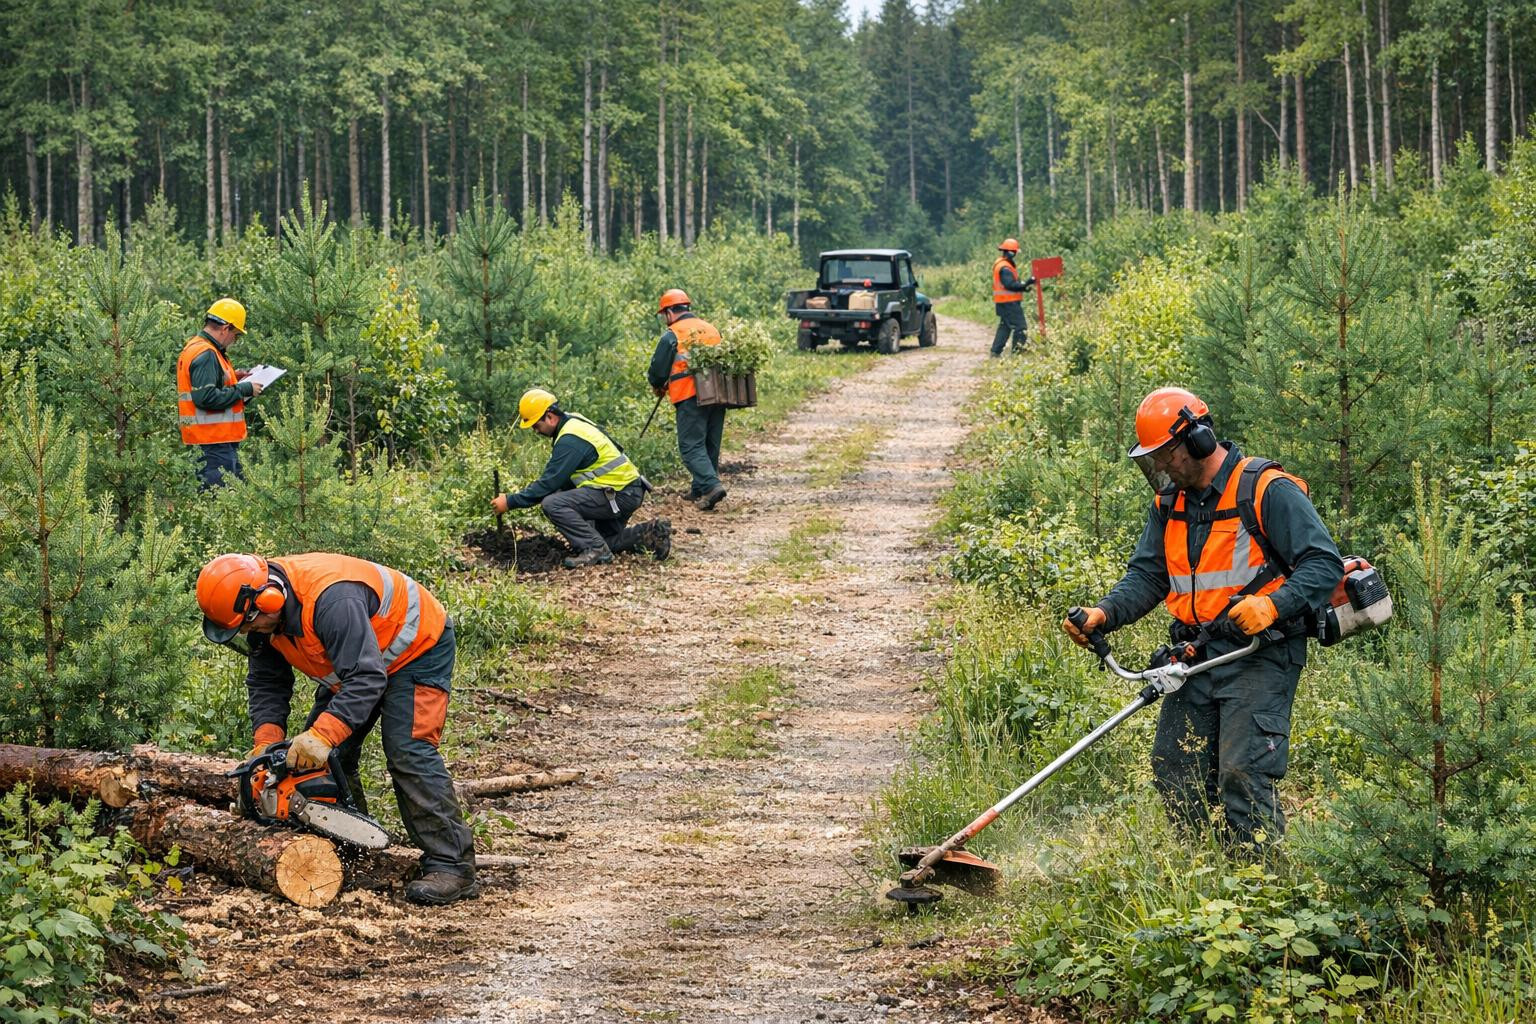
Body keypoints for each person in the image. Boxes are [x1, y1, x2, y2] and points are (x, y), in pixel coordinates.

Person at [1061, 387, 1343, 849]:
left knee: (1242, 774)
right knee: (1175, 770)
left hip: (1260, 652)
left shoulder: (1266, 489)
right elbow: (1149, 575)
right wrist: (1103, 613)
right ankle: (1203, 872)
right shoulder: (1170, 504)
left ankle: (1262, 880)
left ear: (1199, 440)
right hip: (1195, 655)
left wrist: (1273, 605)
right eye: (1152, 458)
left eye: (1166, 454)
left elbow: (1323, 564)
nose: (1161, 466)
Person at [197, 551, 479, 905]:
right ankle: (353, 847)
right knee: (321, 763)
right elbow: (267, 681)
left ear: (268, 601)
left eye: (248, 626)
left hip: (416, 650)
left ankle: (452, 866)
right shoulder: (258, 614)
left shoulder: (332, 601)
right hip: (357, 663)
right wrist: (266, 741)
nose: (247, 633)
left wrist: (323, 735)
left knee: (409, 751)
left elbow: (366, 677)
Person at [492, 388, 671, 569]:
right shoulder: (574, 422)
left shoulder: (569, 440)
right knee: (605, 540)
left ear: (550, 417)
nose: (536, 431)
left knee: (552, 503)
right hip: (627, 490)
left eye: (536, 426)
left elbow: (549, 483)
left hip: (620, 494)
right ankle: (651, 533)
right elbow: (564, 480)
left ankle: (594, 549)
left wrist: (510, 501)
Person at [648, 288, 727, 510]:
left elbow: (658, 370)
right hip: (718, 393)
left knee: (691, 446)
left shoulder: (673, 334)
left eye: (664, 315)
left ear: (669, 312)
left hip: (690, 394)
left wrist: (657, 384)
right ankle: (700, 490)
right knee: (709, 444)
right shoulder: (711, 329)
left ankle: (711, 486)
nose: (665, 320)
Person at [177, 298, 263, 488]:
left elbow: (209, 386)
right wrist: (244, 389)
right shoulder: (206, 353)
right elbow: (206, 397)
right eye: (236, 335)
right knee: (219, 500)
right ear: (225, 328)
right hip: (214, 443)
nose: (234, 340)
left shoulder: (200, 348)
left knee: (226, 497)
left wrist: (236, 378)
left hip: (213, 441)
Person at [989, 239, 1034, 357]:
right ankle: (1017, 353)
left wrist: (1023, 287)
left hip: (1003, 302)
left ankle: (995, 352)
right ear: (1010, 252)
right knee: (1021, 327)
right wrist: (1027, 283)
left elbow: (1011, 285)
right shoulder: (1005, 268)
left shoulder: (1003, 265)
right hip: (1009, 303)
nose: (1015, 255)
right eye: (1014, 252)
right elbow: (1010, 285)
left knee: (1005, 327)